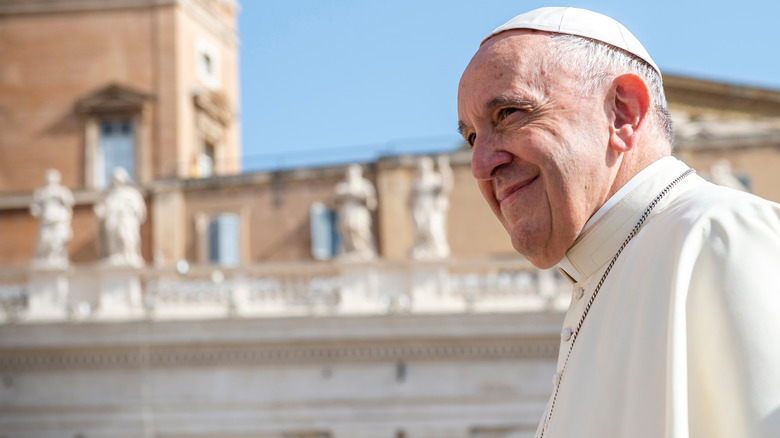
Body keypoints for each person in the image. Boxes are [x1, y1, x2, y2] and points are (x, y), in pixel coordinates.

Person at [457, 7, 780, 438]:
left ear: (623, 113)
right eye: (473, 137)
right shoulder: (599, 274)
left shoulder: (720, 235)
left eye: (509, 114)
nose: (481, 165)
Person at [94, 167, 147, 266]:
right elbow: (103, 209)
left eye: (118, 180)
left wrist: (128, 211)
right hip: (112, 222)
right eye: (114, 180)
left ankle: (128, 254)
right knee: (112, 239)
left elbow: (139, 211)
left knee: (125, 236)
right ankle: (115, 255)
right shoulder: (110, 196)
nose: (116, 183)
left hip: (125, 221)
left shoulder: (132, 194)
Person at [410, 155, 454, 259]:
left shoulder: (435, 179)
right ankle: (424, 247)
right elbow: (410, 200)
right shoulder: (416, 183)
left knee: (433, 229)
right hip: (420, 209)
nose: (423, 169)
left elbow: (446, 186)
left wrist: (444, 168)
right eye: (421, 167)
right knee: (421, 230)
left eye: (425, 167)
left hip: (432, 209)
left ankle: (437, 249)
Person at [30, 169, 74, 267]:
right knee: (45, 240)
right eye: (49, 178)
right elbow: (34, 208)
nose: (51, 180)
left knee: (57, 241)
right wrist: (38, 212)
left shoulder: (62, 191)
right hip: (46, 220)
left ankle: (56, 257)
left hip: (59, 220)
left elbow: (69, 203)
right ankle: (47, 258)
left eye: (53, 178)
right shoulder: (41, 192)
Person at [333, 164, 377, 260]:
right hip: (347, 212)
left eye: (354, 173)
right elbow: (334, 203)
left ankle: (363, 250)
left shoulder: (365, 185)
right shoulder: (342, 187)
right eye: (349, 173)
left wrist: (358, 194)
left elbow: (372, 203)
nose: (351, 175)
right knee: (348, 231)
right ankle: (350, 250)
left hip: (359, 212)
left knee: (360, 231)